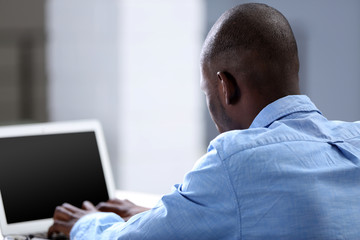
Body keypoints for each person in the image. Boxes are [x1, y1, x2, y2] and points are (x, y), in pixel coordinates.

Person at [48, 3, 360, 239]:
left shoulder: (237, 158)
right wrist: (162, 214)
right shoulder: (354, 139)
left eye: (206, 90)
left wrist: (84, 224)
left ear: (226, 86)